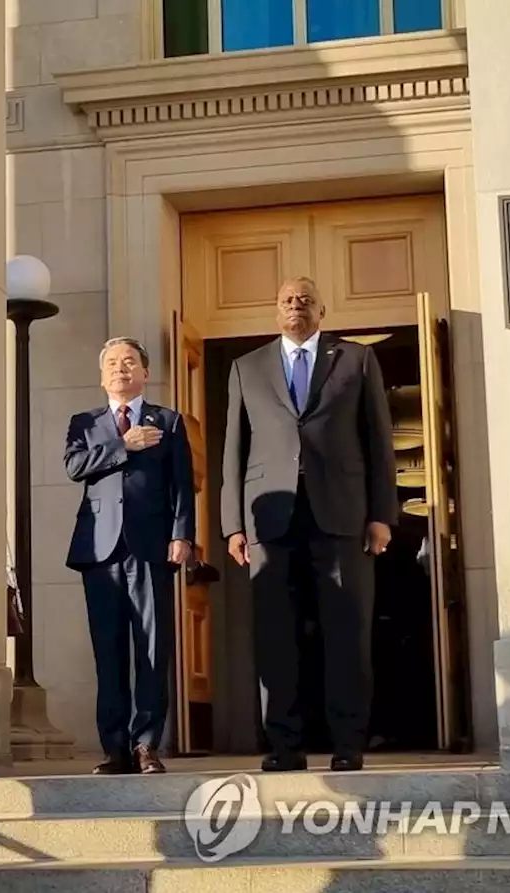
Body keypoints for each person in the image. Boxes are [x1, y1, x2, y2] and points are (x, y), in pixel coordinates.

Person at [220, 276, 397, 773]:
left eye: (305, 300)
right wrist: (234, 524)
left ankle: (348, 743)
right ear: (276, 312)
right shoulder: (246, 367)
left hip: (342, 515)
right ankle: (284, 746)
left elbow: (378, 442)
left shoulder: (357, 359)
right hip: (270, 519)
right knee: (277, 635)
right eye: (286, 300)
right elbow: (233, 450)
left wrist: (382, 514)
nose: (295, 306)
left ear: (322, 312)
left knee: (347, 632)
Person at [64, 337, 195, 775]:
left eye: (130, 363)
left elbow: (181, 484)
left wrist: (182, 535)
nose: (122, 369)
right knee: (109, 651)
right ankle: (115, 748)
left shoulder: (170, 422)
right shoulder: (84, 422)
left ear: (145, 372)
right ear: (102, 375)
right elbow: (75, 466)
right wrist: (126, 445)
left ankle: (146, 745)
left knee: (153, 650)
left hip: (151, 547)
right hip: (100, 551)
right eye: (113, 364)